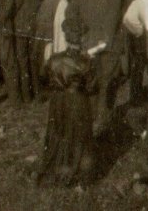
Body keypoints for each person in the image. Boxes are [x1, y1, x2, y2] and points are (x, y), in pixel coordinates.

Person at [63, 0, 123, 131]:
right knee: (106, 81)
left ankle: (88, 116)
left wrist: (81, 31)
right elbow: (112, 20)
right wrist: (104, 40)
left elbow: (70, 12)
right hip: (107, 44)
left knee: (90, 80)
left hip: (86, 43)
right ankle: (101, 119)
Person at [37, 44, 99, 188]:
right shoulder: (85, 61)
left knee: (58, 131)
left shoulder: (54, 58)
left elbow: (43, 79)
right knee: (78, 135)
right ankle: (77, 170)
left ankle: (58, 165)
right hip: (78, 101)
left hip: (58, 101)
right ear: (81, 38)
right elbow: (93, 86)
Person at [9, 0, 42, 102]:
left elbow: (16, 2)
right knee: (32, 58)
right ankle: (36, 91)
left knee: (21, 59)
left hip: (21, 23)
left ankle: (26, 94)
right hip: (33, 21)